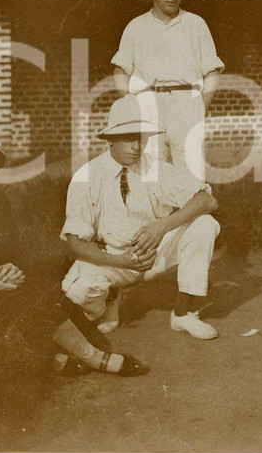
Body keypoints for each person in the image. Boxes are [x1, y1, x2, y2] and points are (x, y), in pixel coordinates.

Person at [0, 116, 147, 377]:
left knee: (38, 288)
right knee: (11, 312)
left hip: (1, 285)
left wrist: (11, 268)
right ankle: (89, 357)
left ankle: (67, 357)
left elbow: (11, 251)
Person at [61, 95, 222, 341]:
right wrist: (121, 261)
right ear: (110, 140)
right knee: (78, 290)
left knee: (205, 224)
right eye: (128, 138)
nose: (137, 146)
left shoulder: (155, 168)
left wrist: (162, 226)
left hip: (155, 252)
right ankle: (106, 305)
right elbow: (74, 244)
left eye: (141, 137)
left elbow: (207, 201)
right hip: (113, 258)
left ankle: (183, 313)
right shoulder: (88, 176)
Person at [111, 0, 224, 180]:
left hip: (187, 104)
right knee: (152, 172)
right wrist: (131, 104)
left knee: (191, 172)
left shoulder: (196, 24)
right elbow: (121, 70)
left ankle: (192, 215)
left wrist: (201, 104)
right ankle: (157, 216)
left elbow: (212, 69)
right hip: (148, 104)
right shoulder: (136, 27)